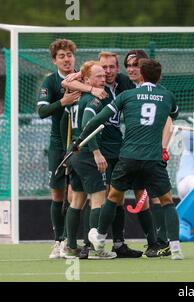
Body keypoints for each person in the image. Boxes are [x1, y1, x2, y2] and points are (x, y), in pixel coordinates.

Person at [76, 58, 184, 260]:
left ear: (141, 76)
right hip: (153, 159)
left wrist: (81, 139)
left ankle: (99, 236)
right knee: (166, 200)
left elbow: (97, 120)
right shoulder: (167, 95)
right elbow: (174, 113)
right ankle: (175, 248)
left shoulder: (127, 95)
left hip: (128, 157)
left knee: (114, 197)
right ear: (159, 77)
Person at [36, 39, 106, 259]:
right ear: (54, 60)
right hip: (59, 143)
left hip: (77, 144)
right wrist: (63, 102)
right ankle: (59, 241)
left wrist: (89, 87)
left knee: (76, 194)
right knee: (58, 194)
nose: (66, 60)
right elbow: (42, 111)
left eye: (69, 55)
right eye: (61, 56)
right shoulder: (50, 81)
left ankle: (75, 242)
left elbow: (79, 82)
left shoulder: (81, 76)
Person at [61, 61, 116, 259]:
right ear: (86, 80)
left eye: (104, 75)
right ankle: (95, 249)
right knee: (98, 200)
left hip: (74, 152)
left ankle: (70, 246)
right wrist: (96, 152)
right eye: (99, 76)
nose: (104, 79)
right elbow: (87, 125)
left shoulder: (79, 97)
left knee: (77, 200)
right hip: (86, 154)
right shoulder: (93, 99)